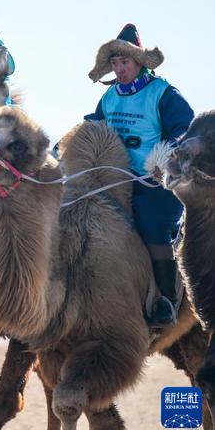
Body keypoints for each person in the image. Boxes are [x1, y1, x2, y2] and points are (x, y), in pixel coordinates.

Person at [87, 23, 194, 325]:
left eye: (125, 62)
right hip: (114, 178)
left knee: (151, 225)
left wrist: (164, 159)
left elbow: (184, 133)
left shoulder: (163, 94)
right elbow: (93, 128)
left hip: (156, 181)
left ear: (140, 62)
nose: (120, 69)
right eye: (115, 63)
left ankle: (167, 301)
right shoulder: (109, 98)